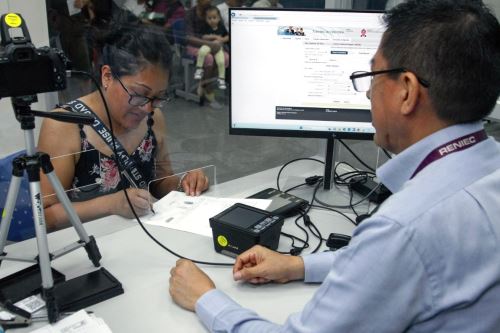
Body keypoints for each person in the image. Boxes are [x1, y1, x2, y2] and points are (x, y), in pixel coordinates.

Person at [169, 0, 500, 331]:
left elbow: (391, 252)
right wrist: (298, 265)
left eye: (372, 75)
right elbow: (385, 264)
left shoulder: (401, 228)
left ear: (407, 92)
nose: (368, 92)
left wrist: (205, 298)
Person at [38, 23, 209, 231]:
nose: (147, 107)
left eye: (158, 98)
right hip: (84, 247)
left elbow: (159, 181)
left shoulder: (153, 119)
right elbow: (45, 217)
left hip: (141, 238)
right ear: (107, 76)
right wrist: (111, 204)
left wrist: (184, 183)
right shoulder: (65, 125)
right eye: (138, 94)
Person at [185, 0, 229, 107]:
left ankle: (203, 84)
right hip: (194, 46)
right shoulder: (190, 14)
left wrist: (220, 40)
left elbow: (222, 31)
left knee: (226, 57)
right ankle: (209, 90)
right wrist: (209, 43)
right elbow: (189, 38)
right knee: (208, 58)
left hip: (213, 44)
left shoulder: (213, 11)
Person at [193, 5, 229, 90]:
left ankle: (221, 79)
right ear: (206, 19)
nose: (212, 20)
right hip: (208, 46)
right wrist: (213, 37)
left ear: (219, 18)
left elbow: (228, 36)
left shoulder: (221, 27)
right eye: (209, 18)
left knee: (221, 62)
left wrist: (222, 39)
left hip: (218, 49)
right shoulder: (206, 27)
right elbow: (203, 37)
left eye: (214, 17)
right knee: (202, 51)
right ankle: (199, 68)